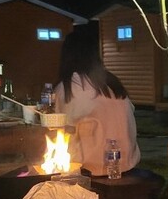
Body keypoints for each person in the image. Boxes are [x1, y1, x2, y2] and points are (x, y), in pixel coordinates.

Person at [53, 30, 141, 176]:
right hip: (127, 163)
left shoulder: (70, 86)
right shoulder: (111, 81)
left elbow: (61, 129)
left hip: (91, 168)